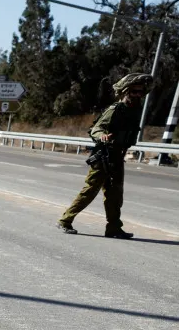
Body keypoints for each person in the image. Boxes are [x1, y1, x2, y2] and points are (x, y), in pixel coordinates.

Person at [57, 73, 154, 238]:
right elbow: (96, 129)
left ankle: (114, 228)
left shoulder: (135, 110)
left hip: (117, 157)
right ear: (125, 92)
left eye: (140, 92)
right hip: (104, 156)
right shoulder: (115, 109)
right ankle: (65, 220)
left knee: (115, 195)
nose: (137, 95)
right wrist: (102, 135)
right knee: (90, 191)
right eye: (134, 92)